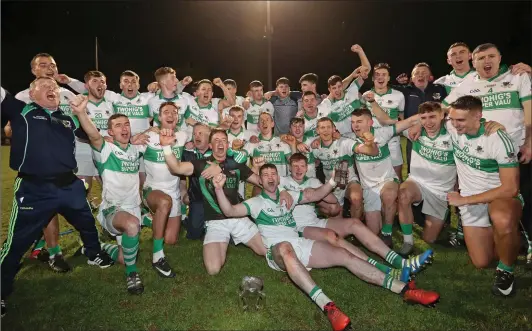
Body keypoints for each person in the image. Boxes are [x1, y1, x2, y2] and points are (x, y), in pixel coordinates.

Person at [213, 164, 440, 331]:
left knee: (344, 254)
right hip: (277, 251)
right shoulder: (256, 203)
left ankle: (404, 289)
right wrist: (219, 189)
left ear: (277, 179)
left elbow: (315, 194)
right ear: (260, 181)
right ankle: (328, 306)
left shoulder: (289, 195)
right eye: (265, 175)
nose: (270, 177)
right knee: (285, 247)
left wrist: (332, 181)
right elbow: (230, 211)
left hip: (300, 244)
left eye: (273, 174)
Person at [0, 79, 113, 315]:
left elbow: (92, 135)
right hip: (34, 187)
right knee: (17, 242)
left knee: (86, 223)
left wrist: (81, 112)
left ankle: (93, 253)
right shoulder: (22, 110)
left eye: (54, 87)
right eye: (44, 86)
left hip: (68, 184)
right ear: (32, 93)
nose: (52, 89)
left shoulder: (67, 116)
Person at [441, 43, 532, 264]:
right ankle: (503, 239)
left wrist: (529, 142)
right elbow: (443, 107)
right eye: (481, 58)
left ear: (500, 58)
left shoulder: (517, 76)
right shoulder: (468, 83)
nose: (486, 62)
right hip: (483, 153)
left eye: (491, 56)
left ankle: (526, 243)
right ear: (474, 62)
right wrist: (418, 122)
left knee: (523, 201)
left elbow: (529, 111)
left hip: (517, 150)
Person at [159, 128, 295, 274]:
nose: (220, 143)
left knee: (268, 251)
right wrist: (166, 147)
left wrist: (282, 189)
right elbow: (176, 168)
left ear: (228, 144)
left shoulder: (236, 165)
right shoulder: (200, 164)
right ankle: (223, 241)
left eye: (223, 140)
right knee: (213, 269)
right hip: (216, 222)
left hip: (238, 219)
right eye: (216, 140)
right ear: (210, 145)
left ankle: (297, 256)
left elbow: (261, 182)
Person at [280, 153, 434, 277]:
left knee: (354, 223)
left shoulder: (312, 181)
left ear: (307, 167)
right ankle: (386, 270)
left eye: (302, 166)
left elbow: (333, 200)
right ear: (289, 167)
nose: (299, 170)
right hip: (298, 227)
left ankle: (401, 262)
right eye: (295, 166)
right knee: (331, 236)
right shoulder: (283, 182)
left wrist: (316, 192)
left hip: (314, 221)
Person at [70, 94, 152, 294]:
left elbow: (153, 135)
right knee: (132, 225)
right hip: (113, 210)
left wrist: (147, 132)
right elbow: (93, 135)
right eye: (118, 126)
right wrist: (81, 112)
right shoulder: (105, 150)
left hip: (132, 208)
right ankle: (132, 276)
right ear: (110, 132)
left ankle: (98, 247)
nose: (124, 128)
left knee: (126, 256)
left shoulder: (135, 149)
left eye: (126, 125)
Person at [446, 95, 523, 296]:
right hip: (472, 200)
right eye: (452, 119)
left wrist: (464, 200)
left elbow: (510, 188)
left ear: (478, 116)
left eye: (460, 120)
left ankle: (505, 270)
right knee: (481, 261)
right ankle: (511, 238)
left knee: (502, 220)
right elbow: (427, 114)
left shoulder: (497, 138)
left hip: (500, 197)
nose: (455, 124)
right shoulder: (452, 128)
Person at [13, 53, 80, 271]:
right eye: (43, 65)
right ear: (33, 71)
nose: (50, 68)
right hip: (39, 167)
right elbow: (11, 126)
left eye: (53, 65)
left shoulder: (67, 94)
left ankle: (85, 245)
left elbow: (80, 120)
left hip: (70, 161)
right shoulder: (23, 96)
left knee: (76, 205)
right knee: (43, 211)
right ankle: (53, 252)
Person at [346, 104, 423, 248]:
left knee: (388, 196)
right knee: (373, 234)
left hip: (387, 180)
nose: (355, 126)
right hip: (368, 188)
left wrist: (420, 122)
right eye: (353, 122)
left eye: (359, 122)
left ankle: (387, 232)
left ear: (370, 122)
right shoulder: (349, 139)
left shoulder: (382, 133)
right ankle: (382, 218)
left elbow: (409, 121)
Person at [310, 117, 368, 220]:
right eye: (322, 128)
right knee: (334, 214)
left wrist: (371, 145)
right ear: (317, 131)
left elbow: (360, 146)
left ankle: (355, 226)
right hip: (331, 185)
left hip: (349, 180)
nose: (326, 130)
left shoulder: (343, 142)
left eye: (328, 127)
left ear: (334, 129)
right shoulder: (315, 148)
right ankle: (323, 211)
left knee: (356, 197)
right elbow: (313, 163)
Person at [362, 63, 405, 180]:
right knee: (374, 174)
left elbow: (401, 116)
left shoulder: (399, 95)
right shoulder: (365, 96)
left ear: (389, 78)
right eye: (377, 75)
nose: (380, 77)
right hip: (373, 140)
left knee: (397, 175)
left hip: (392, 139)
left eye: (384, 75)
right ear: (372, 78)